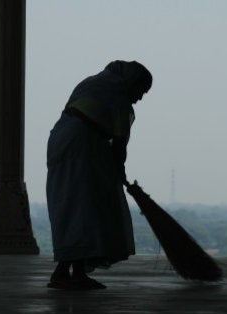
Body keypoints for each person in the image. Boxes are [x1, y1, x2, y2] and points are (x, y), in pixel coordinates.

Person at [46, 60, 152, 290]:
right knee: (86, 207)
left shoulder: (92, 84)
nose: (140, 97)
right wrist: (120, 171)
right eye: (142, 91)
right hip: (84, 145)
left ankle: (69, 272)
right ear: (133, 82)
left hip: (61, 140)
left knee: (74, 205)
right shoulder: (119, 95)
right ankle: (69, 273)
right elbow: (120, 142)